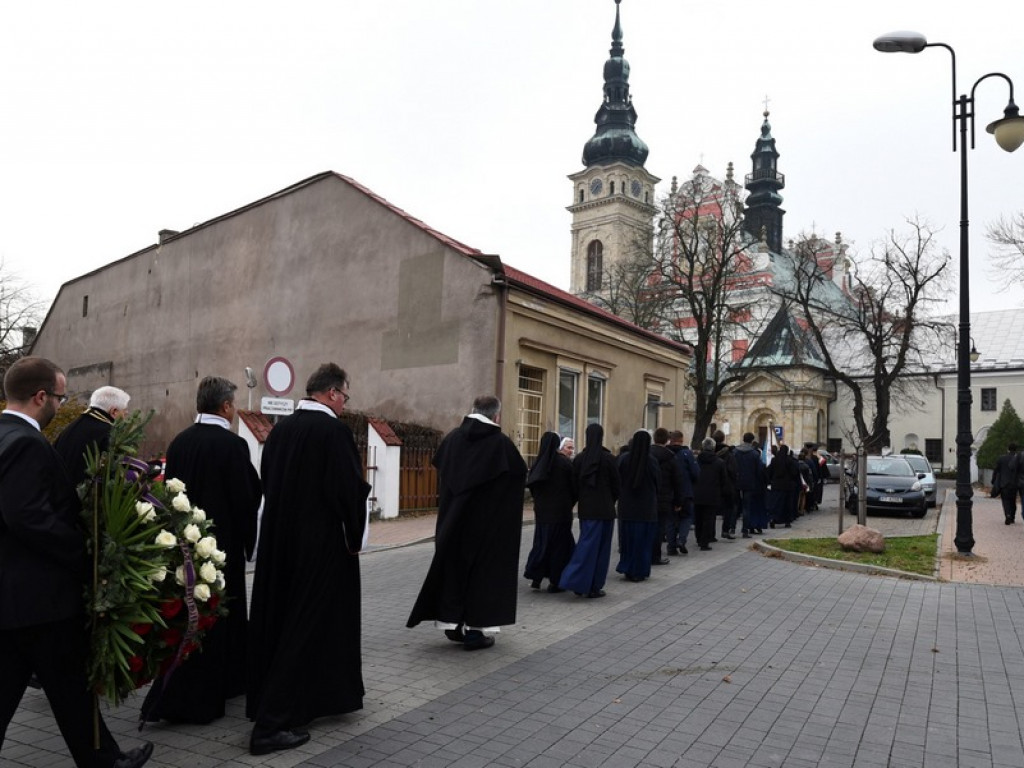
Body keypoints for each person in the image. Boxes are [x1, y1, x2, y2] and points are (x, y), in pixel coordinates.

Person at [0, 357, 152, 768]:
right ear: (40, 396)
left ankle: (104, 759)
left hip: (17, 597)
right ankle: (105, 761)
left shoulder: (5, 434)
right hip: (39, 597)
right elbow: (28, 515)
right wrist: (84, 549)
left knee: (68, 687)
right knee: (69, 684)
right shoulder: (27, 443)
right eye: (60, 396)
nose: (61, 404)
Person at [247, 363, 370, 755]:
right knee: (306, 627)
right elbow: (347, 491)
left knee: (283, 623)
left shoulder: (282, 430)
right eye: (345, 397)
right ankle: (271, 726)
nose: (345, 405)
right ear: (332, 393)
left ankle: (305, 700)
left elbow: (268, 483)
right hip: (319, 548)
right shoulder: (333, 432)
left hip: (280, 544)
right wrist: (355, 536)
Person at [141, 377, 261, 725]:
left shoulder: (179, 442)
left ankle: (186, 686)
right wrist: (249, 538)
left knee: (190, 617)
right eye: (233, 405)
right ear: (225, 406)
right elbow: (246, 497)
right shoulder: (232, 445)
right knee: (222, 616)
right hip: (220, 551)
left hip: (185, 547)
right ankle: (221, 686)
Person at [407, 396, 526, 649]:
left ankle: (452, 624)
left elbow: (443, 470)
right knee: (482, 577)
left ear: (473, 411)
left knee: (454, 572)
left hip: (453, 522)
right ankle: (474, 632)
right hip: (487, 527)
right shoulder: (501, 445)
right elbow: (516, 479)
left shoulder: (452, 440)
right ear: (496, 416)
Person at [559, 423, 620, 597]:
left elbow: (574, 485)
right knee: (600, 550)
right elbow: (617, 485)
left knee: (586, 545)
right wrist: (610, 500)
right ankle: (593, 585)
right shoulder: (609, 459)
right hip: (605, 510)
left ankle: (580, 581)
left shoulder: (579, 459)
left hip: (586, 509)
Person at [523, 431, 577, 593]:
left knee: (542, 544)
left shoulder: (539, 463)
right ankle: (556, 581)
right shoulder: (564, 464)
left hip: (542, 513)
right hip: (561, 513)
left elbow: (532, 486)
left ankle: (536, 577)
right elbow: (574, 487)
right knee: (559, 548)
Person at [53, 385, 130, 486]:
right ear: (114, 412)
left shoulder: (72, 427)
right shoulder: (108, 432)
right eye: (124, 412)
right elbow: (113, 475)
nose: (126, 415)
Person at [615, 430, 661, 582]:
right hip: (646, 508)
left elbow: (617, 480)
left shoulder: (624, 459)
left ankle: (627, 567)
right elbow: (657, 483)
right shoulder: (652, 461)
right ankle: (639, 570)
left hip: (627, 507)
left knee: (628, 540)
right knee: (643, 542)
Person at [650, 428, 683, 564]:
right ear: (667, 440)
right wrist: (678, 501)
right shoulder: (670, 457)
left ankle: (647, 553)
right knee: (659, 527)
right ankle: (655, 556)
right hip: (664, 496)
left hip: (649, 496)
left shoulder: (647, 453)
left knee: (649, 526)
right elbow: (677, 480)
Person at [693, 437, 730, 550]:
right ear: (713, 448)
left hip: (697, 493)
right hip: (712, 493)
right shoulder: (719, 462)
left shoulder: (696, 460)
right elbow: (724, 479)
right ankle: (705, 542)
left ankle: (699, 538)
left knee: (698, 518)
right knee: (708, 519)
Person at [666, 430, 699, 555]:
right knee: (686, 517)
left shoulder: (666, 453)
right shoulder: (687, 454)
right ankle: (682, 540)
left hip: (669, 492)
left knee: (670, 520)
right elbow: (695, 473)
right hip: (686, 491)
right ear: (681, 440)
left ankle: (671, 547)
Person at [734, 432, 768, 537]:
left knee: (735, 506)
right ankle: (745, 530)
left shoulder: (735, 452)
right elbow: (759, 471)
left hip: (736, 482)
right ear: (752, 441)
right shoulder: (754, 454)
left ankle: (731, 528)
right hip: (749, 483)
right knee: (746, 507)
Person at [713, 429, 739, 539]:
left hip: (712, 485)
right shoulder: (728, 453)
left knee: (711, 511)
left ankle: (710, 533)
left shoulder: (708, 452)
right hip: (727, 485)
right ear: (723, 438)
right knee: (728, 508)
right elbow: (733, 470)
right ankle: (725, 530)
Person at [767, 444, 800, 528]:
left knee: (776, 503)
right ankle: (787, 521)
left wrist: (770, 481)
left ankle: (773, 519)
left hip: (776, 486)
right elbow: (794, 473)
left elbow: (769, 471)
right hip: (787, 486)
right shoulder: (790, 461)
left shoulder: (774, 460)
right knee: (787, 504)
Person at [993, 443, 1022, 524]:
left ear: (1008, 449)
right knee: (1013, 501)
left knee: (1005, 501)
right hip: (1015, 483)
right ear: (1016, 450)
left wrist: (993, 480)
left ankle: (1007, 515)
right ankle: (1012, 517)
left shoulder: (1001, 458)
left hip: (1004, 483)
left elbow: (996, 470)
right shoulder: (1018, 459)